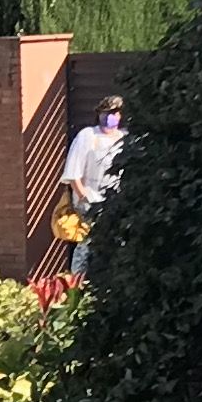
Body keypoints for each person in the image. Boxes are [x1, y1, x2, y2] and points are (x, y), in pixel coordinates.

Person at [59, 103, 126, 274]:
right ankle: (77, 287)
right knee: (86, 244)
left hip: (116, 202)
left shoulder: (124, 138)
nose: (112, 117)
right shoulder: (87, 136)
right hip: (90, 201)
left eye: (116, 113)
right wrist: (83, 197)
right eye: (108, 112)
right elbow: (73, 172)